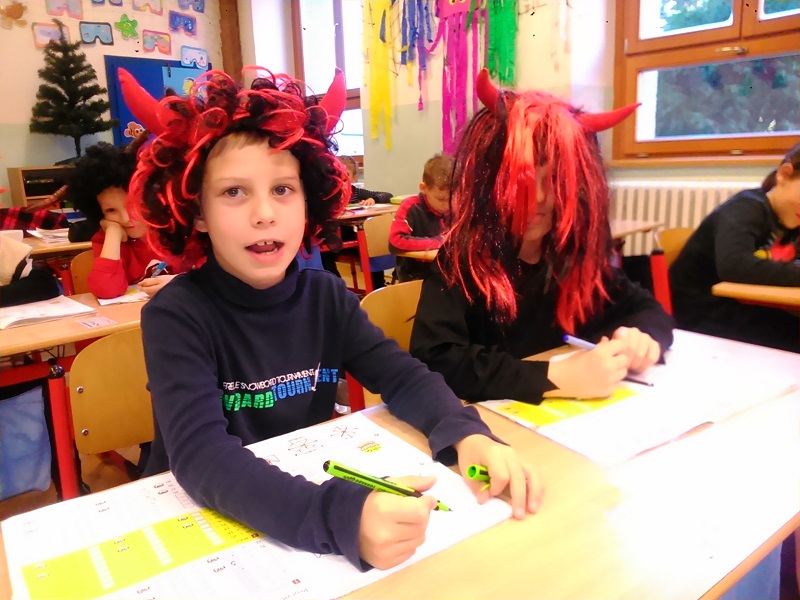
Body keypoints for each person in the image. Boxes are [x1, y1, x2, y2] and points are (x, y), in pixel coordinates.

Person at [127, 67, 542, 571]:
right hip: (203, 524)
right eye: (234, 192)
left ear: (310, 200)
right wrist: (337, 517)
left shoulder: (326, 298)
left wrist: (464, 432)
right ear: (196, 212)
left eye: (283, 189)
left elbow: (403, 375)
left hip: (297, 490)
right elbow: (201, 456)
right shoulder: (176, 316)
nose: (264, 213)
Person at [410, 70, 675, 403]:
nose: (537, 198)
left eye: (552, 181)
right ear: (491, 184)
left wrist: (641, 337)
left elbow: (646, 308)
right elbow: (435, 359)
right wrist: (553, 378)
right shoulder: (464, 259)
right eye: (520, 182)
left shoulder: (570, 255)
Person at [669, 142, 800, 353]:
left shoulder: (792, 220)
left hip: (741, 307)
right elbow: (735, 265)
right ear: (784, 175)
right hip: (699, 312)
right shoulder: (745, 208)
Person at [65, 142, 200, 299]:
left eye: (132, 205)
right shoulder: (107, 240)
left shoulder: (179, 230)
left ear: (152, 197)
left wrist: (180, 283)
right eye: (110, 210)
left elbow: (214, 277)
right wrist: (113, 233)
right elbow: (105, 290)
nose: (125, 218)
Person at [389, 154, 453, 282]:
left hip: (445, 272)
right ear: (424, 188)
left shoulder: (454, 208)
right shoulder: (411, 207)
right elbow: (395, 241)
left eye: (452, 199)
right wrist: (438, 242)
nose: (447, 205)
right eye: (441, 199)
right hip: (416, 275)